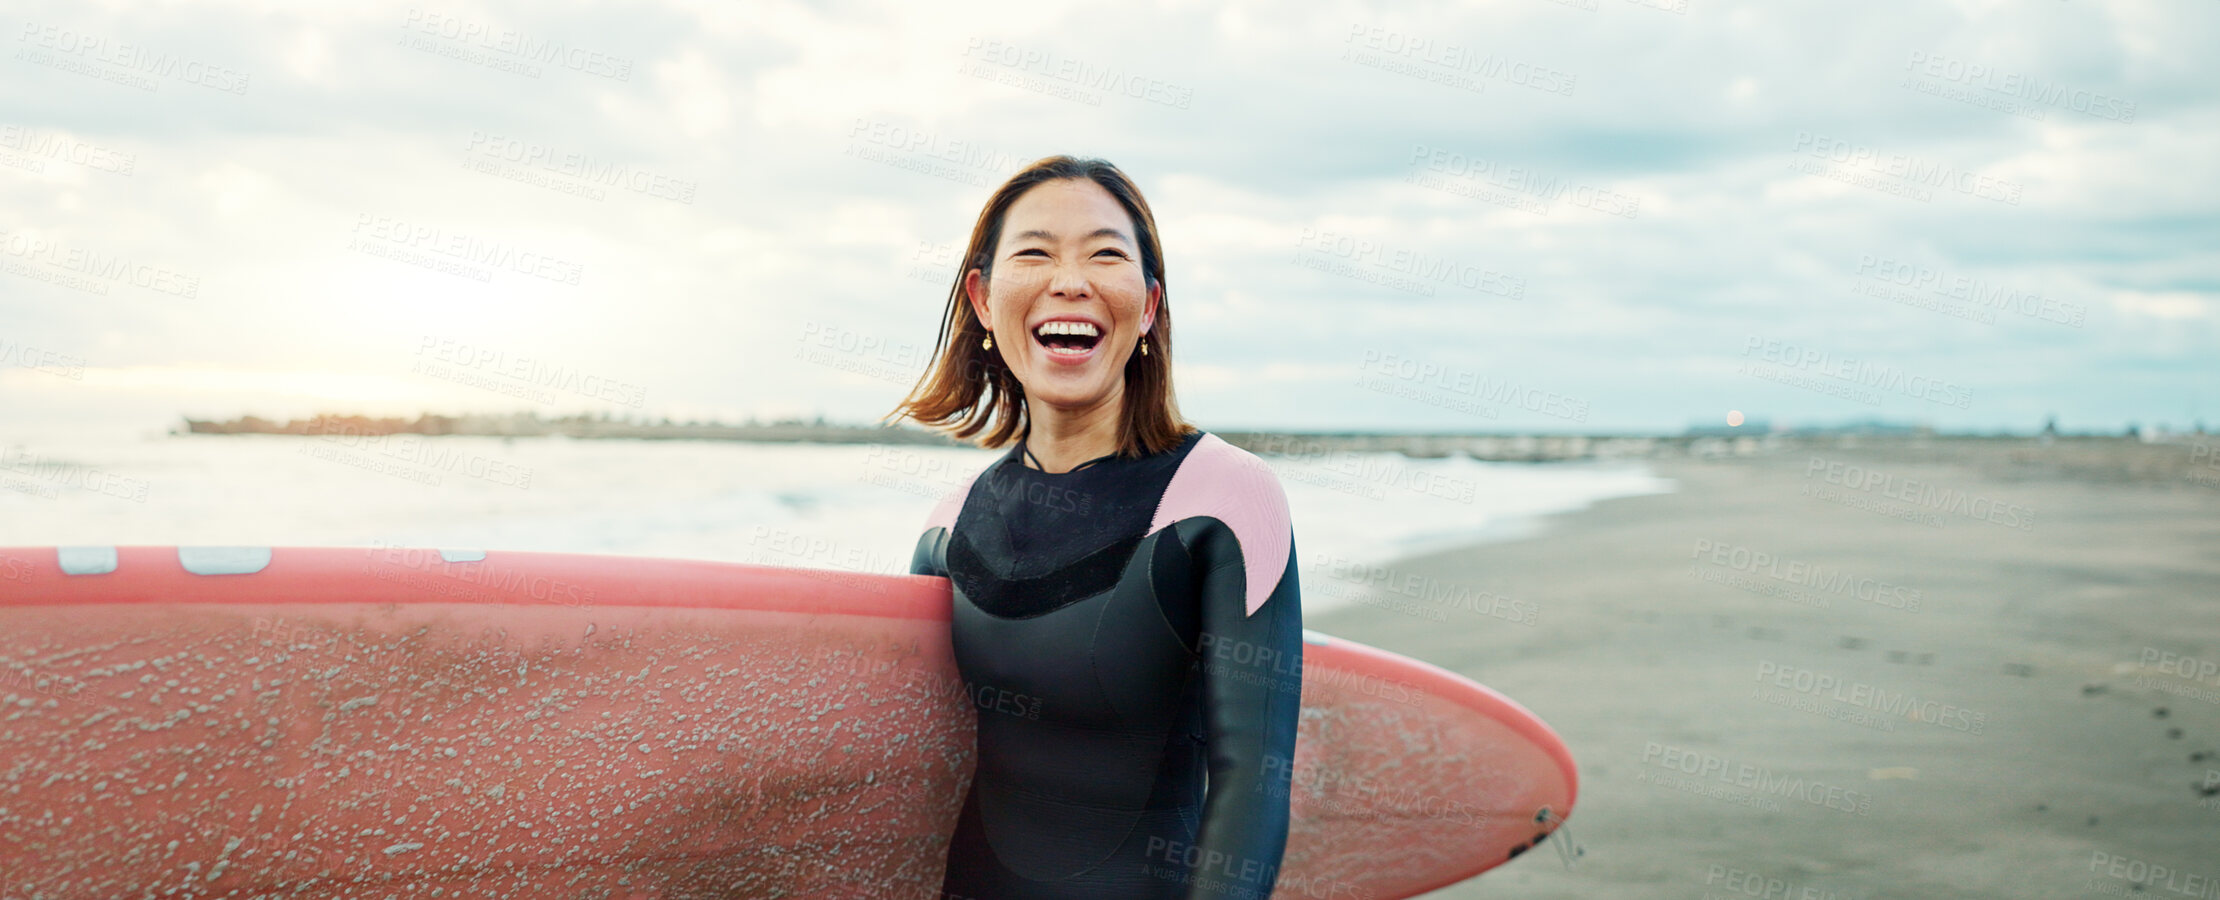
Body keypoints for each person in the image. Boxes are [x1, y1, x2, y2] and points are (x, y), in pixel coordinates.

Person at [887, 155, 1303, 899]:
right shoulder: (948, 527)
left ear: (1147, 306)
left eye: (1105, 254)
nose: (1070, 280)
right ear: (983, 300)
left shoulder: (1224, 499)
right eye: (1035, 252)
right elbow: (913, 769)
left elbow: (1254, 778)